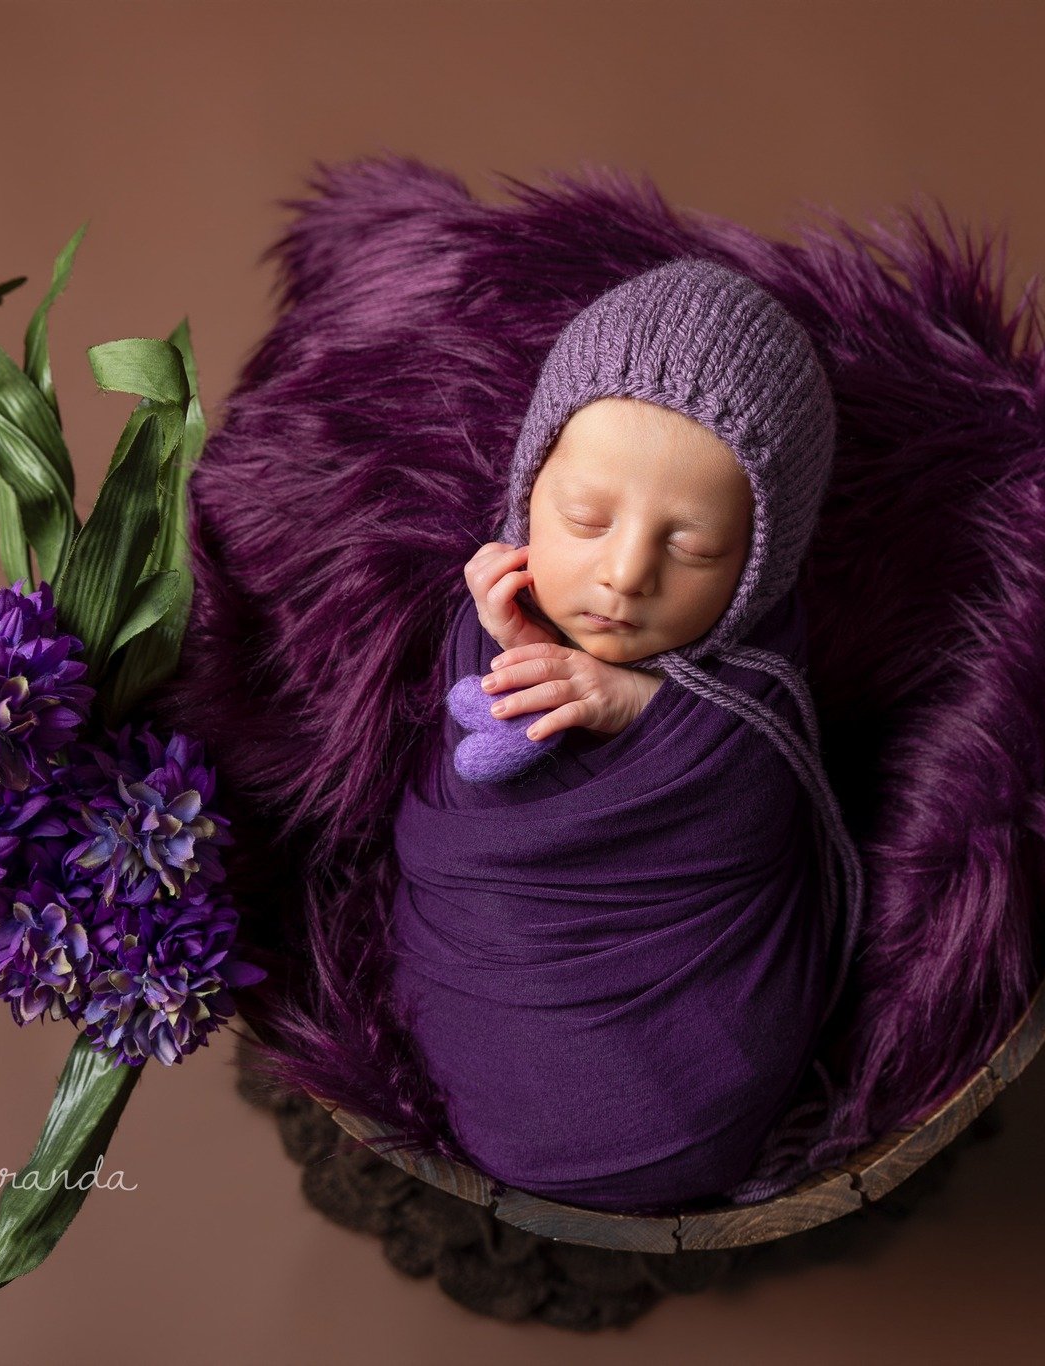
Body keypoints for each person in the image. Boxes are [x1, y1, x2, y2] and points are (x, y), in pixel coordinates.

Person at [387, 257, 865, 1212]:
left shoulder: (759, 677)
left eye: (693, 548)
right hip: (498, 976)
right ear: (530, 491)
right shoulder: (494, 603)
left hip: (686, 1028)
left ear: (760, 570)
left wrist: (636, 706)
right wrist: (509, 649)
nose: (625, 573)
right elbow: (478, 771)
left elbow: (764, 804)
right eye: (585, 518)